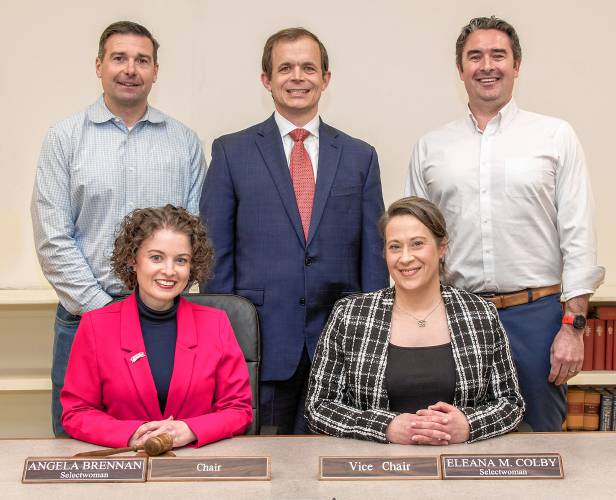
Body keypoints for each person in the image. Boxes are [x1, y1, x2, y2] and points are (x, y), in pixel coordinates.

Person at [406, 16, 605, 431]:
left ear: (517, 65)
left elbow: (578, 237)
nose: (487, 65)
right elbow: (415, 245)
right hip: (458, 317)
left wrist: (574, 328)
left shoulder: (555, 136)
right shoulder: (430, 147)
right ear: (460, 69)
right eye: (474, 56)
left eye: (499, 55)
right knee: (452, 436)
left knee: (540, 444)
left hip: (536, 316)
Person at [200, 28, 389, 434]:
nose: (297, 77)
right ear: (266, 79)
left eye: (308, 67)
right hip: (261, 345)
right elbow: (214, 258)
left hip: (341, 344)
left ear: (326, 78)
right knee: (262, 464)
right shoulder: (231, 152)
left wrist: (370, 341)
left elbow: (374, 258)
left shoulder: (360, 157)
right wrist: (228, 341)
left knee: (336, 465)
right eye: (285, 68)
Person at [31, 21, 206, 435]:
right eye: (119, 58)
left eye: (142, 60)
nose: (130, 69)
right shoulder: (64, 138)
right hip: (83, 318)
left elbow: (194, 234)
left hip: (164, 320)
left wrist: (143, 312)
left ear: (156, 71)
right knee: (77, 446)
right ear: (99, 65)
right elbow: (53, 237)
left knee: (164, 442)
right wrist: (105, 315)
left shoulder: (183, 142)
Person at [306, 197, 524, 444]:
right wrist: (385, 427)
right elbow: (318, 407)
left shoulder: (480, 314)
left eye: (417, 244)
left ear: (442, 248)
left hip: (461, 468)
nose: (405, 258)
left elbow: (511, 404)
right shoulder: (350, 314)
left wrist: (468, 424)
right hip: (374, 471)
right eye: (395, 247)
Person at [61, 205, 252, 448]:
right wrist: (133, 434)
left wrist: (191, 429)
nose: (169, 271)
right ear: (133, 259)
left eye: (181, 260)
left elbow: (238, 409)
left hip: (196, 467)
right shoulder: (95, 326)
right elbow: (76, 413)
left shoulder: (216, 324)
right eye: (156, 257)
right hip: (124, 468)